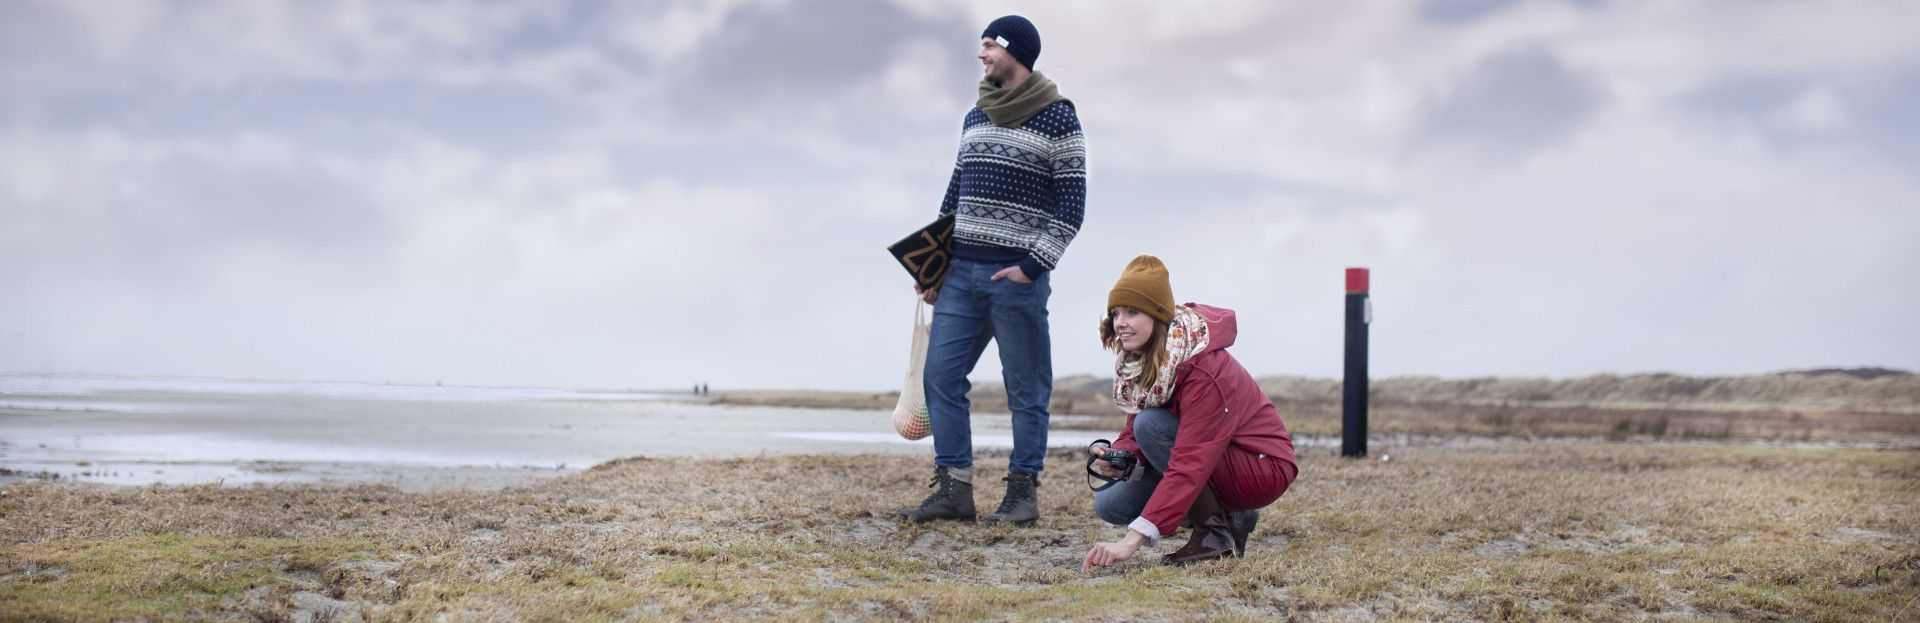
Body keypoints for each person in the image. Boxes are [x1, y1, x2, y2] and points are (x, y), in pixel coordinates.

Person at [899, 14, 1088, 527]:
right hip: (959, 275)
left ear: (1015, 52)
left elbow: (1071, 208)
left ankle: (1022, 494)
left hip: (1015, 281)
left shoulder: (1059, 119)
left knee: (1026, 391)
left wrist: (1031, 267)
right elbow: (954, 195)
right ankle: (955, 490)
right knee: (940, 376)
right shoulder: (975, 115)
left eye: (988, 47)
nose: (981, 56)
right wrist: (932, 264)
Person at [1081, 256, 1298, 570]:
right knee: (1111, 504)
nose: (1120, 323)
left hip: (1261, 467)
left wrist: (1130, 543)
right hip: (1213, 458)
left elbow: (1189, 459)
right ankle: (1230, 514)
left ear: (1157, 315)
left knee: (1151, 425)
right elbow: (1135, 430)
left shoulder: (1202, 367)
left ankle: (1214, 537)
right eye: (1116, 313)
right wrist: (1122, 457)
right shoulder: (1150, 360)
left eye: (1132, 312)